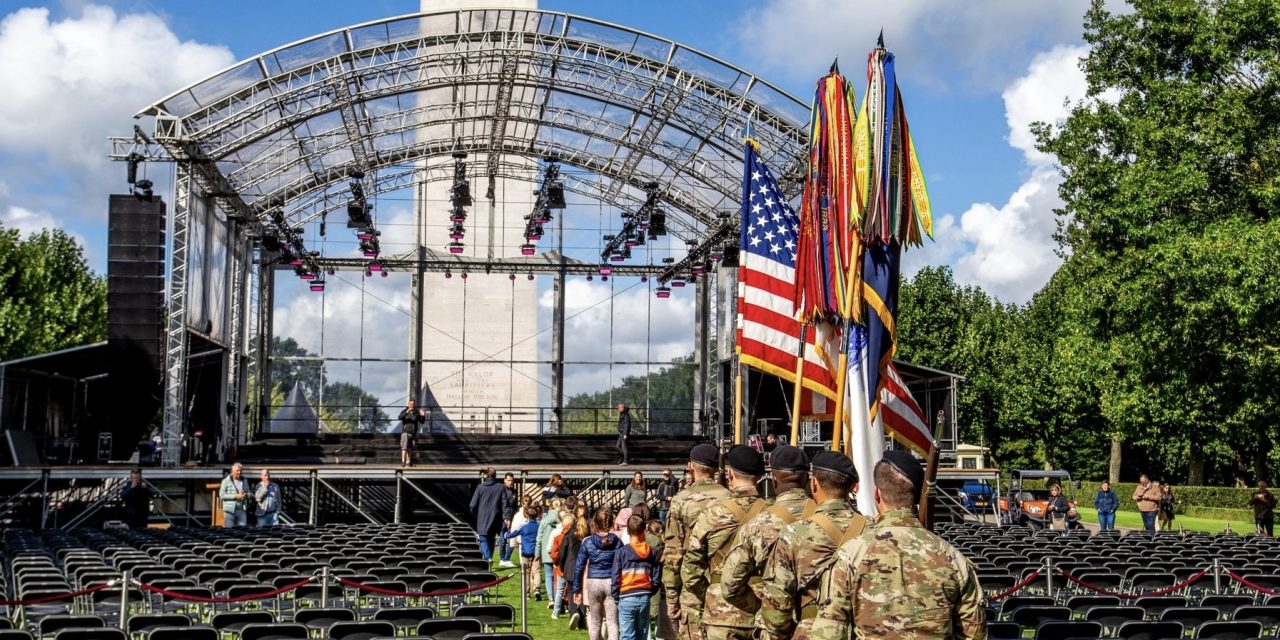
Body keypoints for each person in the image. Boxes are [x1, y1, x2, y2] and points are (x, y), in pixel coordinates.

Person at [809, 451, 985, 639]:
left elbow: (829, 633)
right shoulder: (952, 558)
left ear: (877, 494)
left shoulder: (850, 556)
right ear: (917, 498)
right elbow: (974, 633)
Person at [759, 451, 866, 640]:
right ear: (852, 487)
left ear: (814, 484)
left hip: (810, 631)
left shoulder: (795, 534)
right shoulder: (872, 531)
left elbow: (776, 607)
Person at [720, 445, 815, 633]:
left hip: (775, 629)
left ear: (773, 479)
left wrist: (761, 606)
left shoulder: (759, 524)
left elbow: (730, 585)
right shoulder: (831, 519)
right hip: (824, 628)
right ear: (808, 480)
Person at [681, 445, 766, 640]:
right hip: (762, 612)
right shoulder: (773, 515)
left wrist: (711, 592)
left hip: (720, 614)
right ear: (760, 476)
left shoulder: (713, 513)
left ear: (729, 474)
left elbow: (690, 568)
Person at [662, 444, 728, 640]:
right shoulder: (730, 499)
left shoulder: (681, 500)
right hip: (725, 588)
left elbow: (673, 554)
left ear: (690, 466)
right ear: (717, 468)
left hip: (691, 590)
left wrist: (672, 601)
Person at [574, 508, 623, 640]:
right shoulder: (618, 542)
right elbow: (623, 563)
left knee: (595, 622)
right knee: (613, 622)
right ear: (612, 523)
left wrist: (577, 589)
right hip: (611, 582)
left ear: (594, 523)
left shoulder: (588, 542)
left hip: (593, 581)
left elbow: (579, 566)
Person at [613, 514, 661, 640]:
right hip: (644, 596)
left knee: (627, 635)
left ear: (628, 530)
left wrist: (616, 596)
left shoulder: (622, 553)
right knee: (642, 635)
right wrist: (650, 591)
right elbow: (656, 576)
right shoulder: (651, 552)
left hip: (626, 596)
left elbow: (615, 577)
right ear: (644, 529)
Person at [470, 467, 507, 565]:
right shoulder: (500, 487)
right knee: (491, 539)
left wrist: (475, 514)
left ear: (486, 475)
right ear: (495, 475)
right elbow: (505, 503)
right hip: (496, 517)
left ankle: (487, 557)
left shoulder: (480, 487)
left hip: (483, 517)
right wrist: (506, 516)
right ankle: (489, 557)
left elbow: (473, 505)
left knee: (483, 538)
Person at [560, 512, 590, 628]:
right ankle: (582, 618)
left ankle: (574, 613)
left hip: (570, 567)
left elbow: (563, 551)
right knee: (582, 592)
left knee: (571, 591)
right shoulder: (589, 537)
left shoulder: (569, 535)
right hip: (584, 568)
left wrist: (562, 566)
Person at [506, 503, 543, 600]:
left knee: (526, 572)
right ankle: (537, 588)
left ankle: (526, 592)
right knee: (537, 571)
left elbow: (513, 533)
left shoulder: (524, 526)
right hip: (536, 551)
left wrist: (506, 534)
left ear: (526, 515)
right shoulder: (539, 525)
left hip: (525, 551)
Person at [538, 498, 564, 605]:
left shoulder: (544, 521)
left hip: (546, 551)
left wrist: (537, 553)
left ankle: (551, 599)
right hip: (559, 552)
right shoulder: (563, 521)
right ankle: (559, 598)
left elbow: (539, 538)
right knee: (558, 576)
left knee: (548, 576)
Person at [219, 462, 250, 527]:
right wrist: (235, 496)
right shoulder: (225, 481)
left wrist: (246, 495)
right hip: (229, 511)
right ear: (232, 471)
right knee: (229, 531)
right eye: (237, 471)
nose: (239, 472)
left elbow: (250, 493)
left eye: (241, 471)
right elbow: (221, 495)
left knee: (242, 530)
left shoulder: (245, 480)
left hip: (241, 510)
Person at [499, 473, 519, 568]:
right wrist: (505, 518)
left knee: (512, 538)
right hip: (503, 517)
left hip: (512, 517)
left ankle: (507, 558)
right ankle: (503, 559)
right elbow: (502, 505)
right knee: (503, 538)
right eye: (509, 480)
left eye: (512, 480)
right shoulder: (500, 490)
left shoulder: (514, 491)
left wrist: (514, 517)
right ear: (504, 480)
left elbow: (514, 506)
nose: (510, 482)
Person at [398, 400, 425, 466]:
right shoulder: (404, 411)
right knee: (404, 448)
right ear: (408, 405)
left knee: (410, 448)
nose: (412, 405)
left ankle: (408, 462)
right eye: (410, 404)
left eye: (413, 404)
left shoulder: (416, 412)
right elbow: (399, 417)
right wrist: (407, 412)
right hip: (405, 432)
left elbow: (422, 422)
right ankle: (403, 462)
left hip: (413, 433)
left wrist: (423, 416)